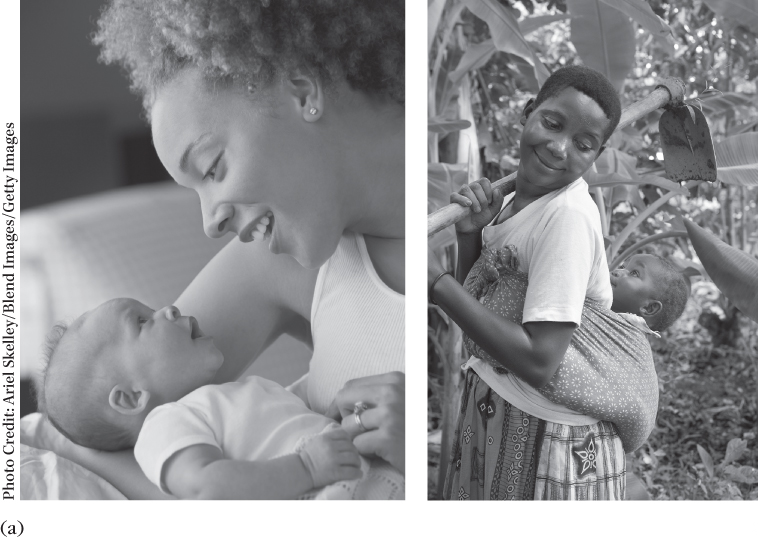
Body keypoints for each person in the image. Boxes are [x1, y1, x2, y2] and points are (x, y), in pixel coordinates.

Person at [38, 0, 405, 499]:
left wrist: (427, 448)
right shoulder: (277, 264)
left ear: (302, 91)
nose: (211, 223)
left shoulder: (491, 231)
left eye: (211, 168)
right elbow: (94, 426)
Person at [428, 65, 631, 500]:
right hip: (497, 409)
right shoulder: (519, 204)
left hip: (545, 437)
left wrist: (438, 283)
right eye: (552, 124)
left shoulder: (567, 218)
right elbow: (479, 310)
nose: (559, 149)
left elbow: (541, 361)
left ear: (597, 154)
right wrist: (471, 235)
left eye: (583, 144)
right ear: (527, 111)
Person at [37, 299, 403, 500]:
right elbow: (208, 489)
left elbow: (284, 427)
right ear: (131, 398)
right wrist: (306, 467)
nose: (168, 309)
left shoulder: (229, 395)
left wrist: (330, 412)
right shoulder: (163, 426)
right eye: (143, 322)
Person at [460, 246, 689, 454]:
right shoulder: (587, 302)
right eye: (624, 266)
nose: (619, 271)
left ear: (648, 307)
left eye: (634, 274)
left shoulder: (628, 339)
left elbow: (635, 397)